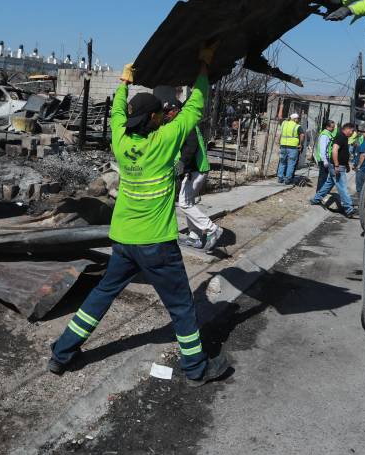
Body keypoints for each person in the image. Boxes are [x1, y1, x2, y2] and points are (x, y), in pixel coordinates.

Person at [49, 42, 230, 387]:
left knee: (101, 295)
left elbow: (117, 113)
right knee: (181, 306)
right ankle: (196, 368)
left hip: (123, 242)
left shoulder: (120, 140)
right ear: (152, 119)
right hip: (156, 244)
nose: (164, 114)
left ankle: (62, 353)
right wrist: (203, 70)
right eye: (159, 112)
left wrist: (123, 83)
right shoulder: (164, 141)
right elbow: (195, 107)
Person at [164, 98, 220, 253]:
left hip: (194, 171)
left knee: (184, 203)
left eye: (168, 112)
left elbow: (191, 148)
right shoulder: (181, 123)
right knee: (188, 202)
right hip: (193, 171)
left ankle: (212, 229)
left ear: (176, 110)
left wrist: (184, 167)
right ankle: (194, 236)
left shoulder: (186, 125)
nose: (166, 115)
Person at [311, 122, 357, 217]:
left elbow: (343, 153)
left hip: (339, 166)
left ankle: (315, 199)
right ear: (347, 129)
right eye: (352, 131)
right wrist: (336, 165)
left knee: (329, 184)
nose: (352, 133)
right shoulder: (340, 137)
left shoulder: (344, 137)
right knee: (342, 187)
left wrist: (346, 165)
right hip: (337, 167)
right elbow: (334, 150)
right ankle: (349, 209)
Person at [276, 112, 304, 184]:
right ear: (294, 119)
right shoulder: (297, 126)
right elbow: (302, 135)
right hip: (293, 147)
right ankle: (288, 179)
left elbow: (279, 117)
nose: (298, 120)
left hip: (283, 146)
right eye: (297, 119)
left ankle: (280, 178)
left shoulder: (284, 123)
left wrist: (281, 106)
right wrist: (300, 144)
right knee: (291, 163)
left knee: (282, 162)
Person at [312, 119, 336, 195]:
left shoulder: (328, 134)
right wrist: (325, 160)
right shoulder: (325, 135)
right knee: (323, 177)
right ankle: (319, 193)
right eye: (332, 127)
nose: (333, 129)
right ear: (327, 127)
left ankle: (321, 193)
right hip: (323, 159)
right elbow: (323, 149)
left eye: (334, 127)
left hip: (326, 158)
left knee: (325, 177)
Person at [350, 128, 365, 194]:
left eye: (362, 132)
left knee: (360, 187)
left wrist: (358, 166)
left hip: (361, 168)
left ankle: (360, 200)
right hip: (363, 167)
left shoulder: (364, 142)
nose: (362, 134)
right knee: (363, 186)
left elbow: (363, 155)